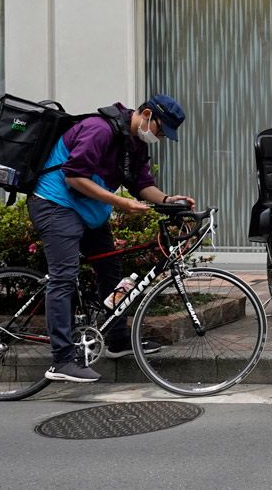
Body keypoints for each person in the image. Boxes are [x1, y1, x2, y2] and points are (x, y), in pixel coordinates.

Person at [29, 95, 195, 384]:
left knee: (110, 268)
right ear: (146, 114)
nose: (158, 138)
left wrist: (168, 200)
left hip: (88, 210)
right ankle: (63, 360)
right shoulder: (99, 129)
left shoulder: (135, 142)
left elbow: (141, 184)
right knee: (64, 277)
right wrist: (121, 203)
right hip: (56, 204)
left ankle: (117, 340)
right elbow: (74, 177)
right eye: (160, 130)